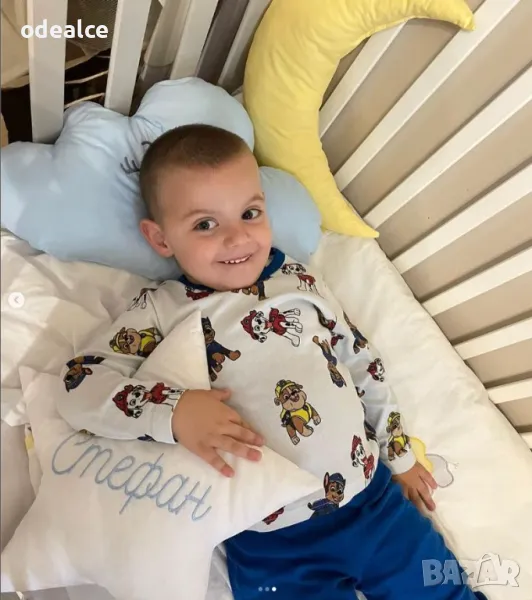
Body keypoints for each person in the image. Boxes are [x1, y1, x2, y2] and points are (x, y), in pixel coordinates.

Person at [58, 124, 486, 600]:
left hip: (373, 502)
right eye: (205, 224)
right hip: (271, 542)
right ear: (160, 239)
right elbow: (79, 384)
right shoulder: (162, 310)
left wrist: (399, 453)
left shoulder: (301, 281)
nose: (237, 237)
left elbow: (362, 361)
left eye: (250, 213)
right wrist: (174, 412)